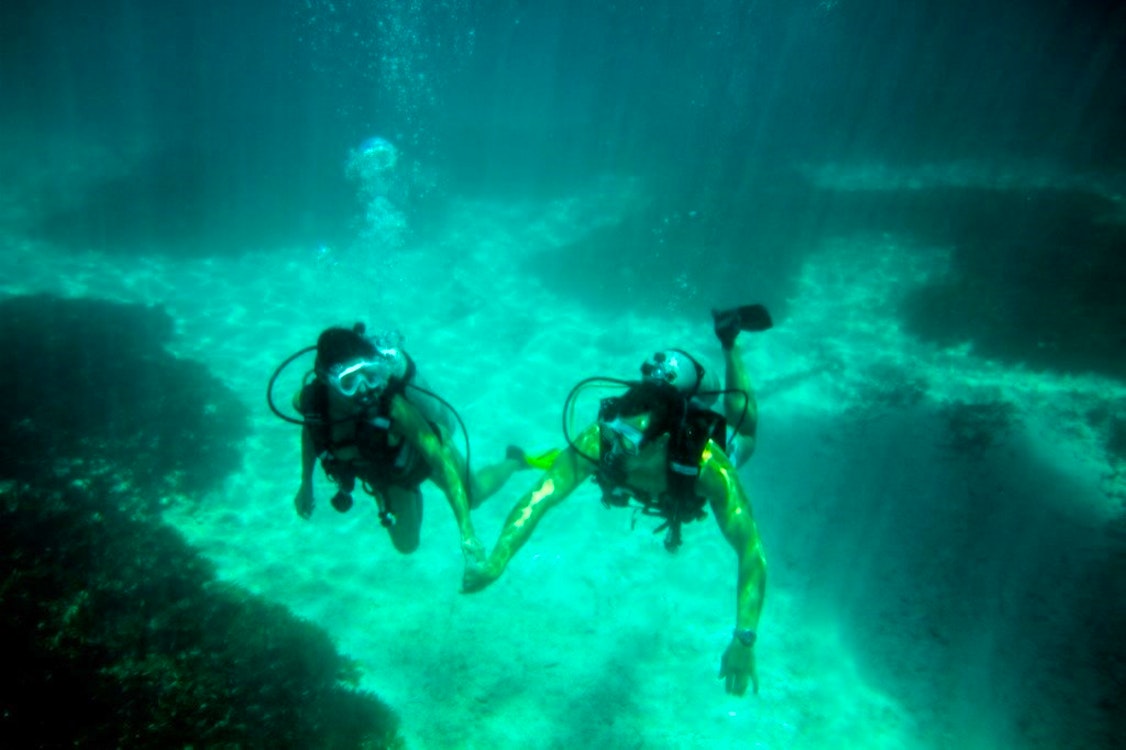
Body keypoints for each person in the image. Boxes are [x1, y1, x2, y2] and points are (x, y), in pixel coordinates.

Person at [462, 305, 772, 696]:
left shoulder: (708, 463)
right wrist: (497, 560)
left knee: (747, 436)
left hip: (693, 446)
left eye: (633, 440)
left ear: (663, 441)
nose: (620, 447)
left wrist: (745, 638)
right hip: (664, 432)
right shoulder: (602, 438)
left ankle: (730, 343)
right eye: (619, 432)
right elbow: (539, 498)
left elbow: (750, 548)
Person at [271, 323, 550, 563]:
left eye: (370, 376)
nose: (364, 390)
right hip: (390, 470)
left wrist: (466, 531)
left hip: (424, 451)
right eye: (349, 382)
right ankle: (408, 490)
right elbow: (312, 433)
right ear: (327, 380)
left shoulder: (392, 407)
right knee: (407, 546)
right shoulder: (310, 404)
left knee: (473, 496)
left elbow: (438, 457)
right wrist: (306, 482)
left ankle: (515, 460)